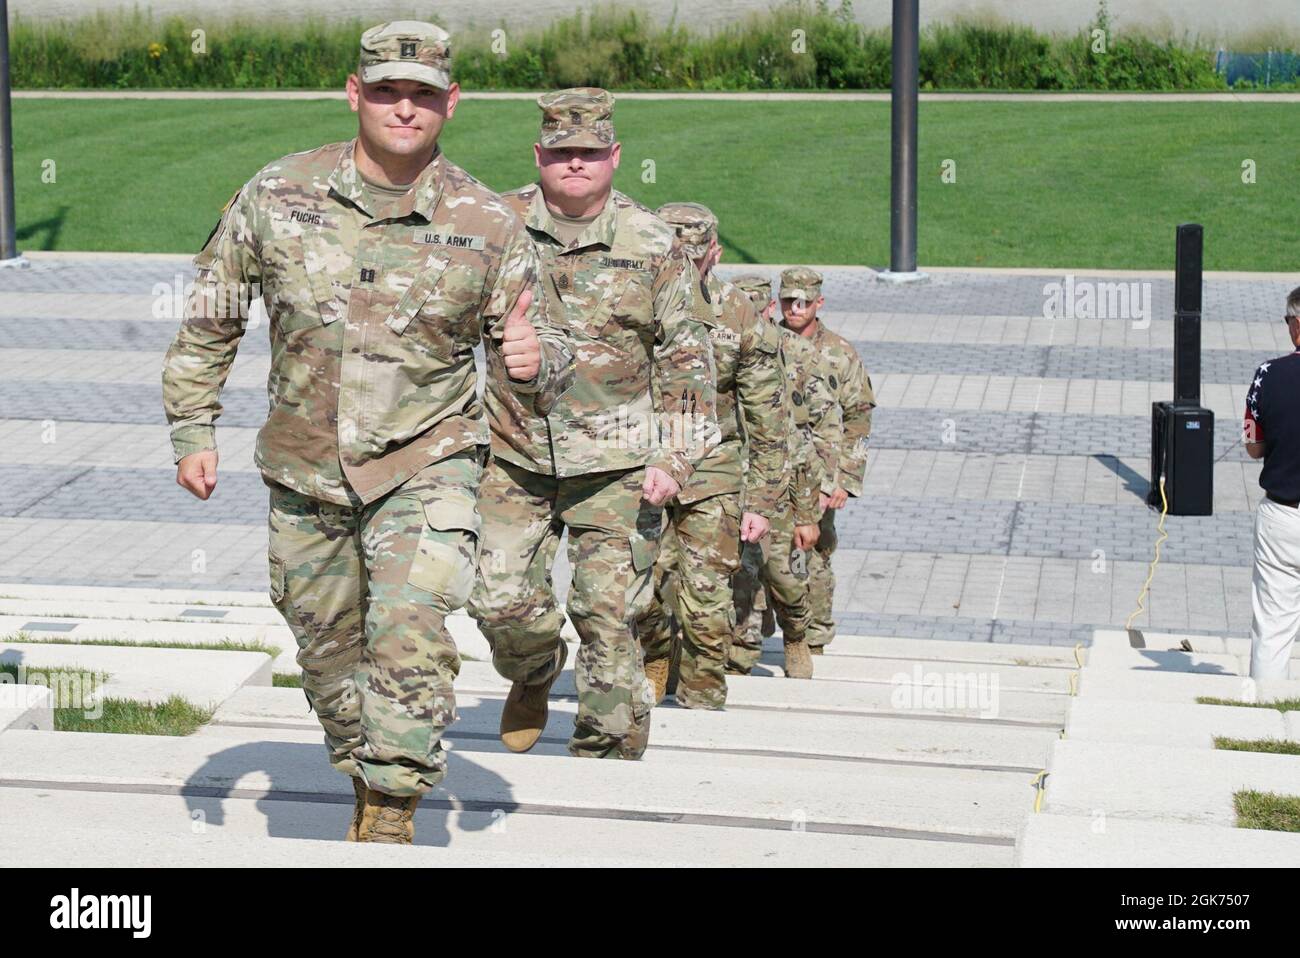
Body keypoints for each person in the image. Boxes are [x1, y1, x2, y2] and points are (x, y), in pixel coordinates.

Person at [161, 21, 571, 844]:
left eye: (423, 94)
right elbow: (211, 316)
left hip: (427, 465)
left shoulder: (487, 222)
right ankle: (364, 763)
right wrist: (191, 427)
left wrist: (534, 360)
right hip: (304, 469)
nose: (405, 108)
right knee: (326, 655)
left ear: (450, 104)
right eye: (387, 90)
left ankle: (391, 811)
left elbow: (550, 347)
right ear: (356, 95)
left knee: (408, 635)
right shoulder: (276, 194)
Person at [467, 88, 717, 759]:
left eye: (590, 153)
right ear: (539, 154)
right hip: (514, 455)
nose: (575, 164)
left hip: (616, 465)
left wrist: (674, 458)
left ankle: (605, 765)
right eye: (561, 153)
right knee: (496, 603)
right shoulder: (497, 225)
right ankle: (533, 670)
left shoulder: (655, 243)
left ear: (614, 156)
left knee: (609, 622)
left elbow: (688, 358)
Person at [636, 204, 788, 708]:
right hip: (641, 468)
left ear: (715, 255)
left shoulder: (738, 312)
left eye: (693, 260)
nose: (681, 270)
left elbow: (767, 412)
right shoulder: (628, 299)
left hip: (713, 468)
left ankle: (702, 702)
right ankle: (658, 655)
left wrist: (762, 499)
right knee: (641, 592)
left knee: (705, 599)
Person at [728, 273, 838, 678]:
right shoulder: (720, 347)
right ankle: (739, 652)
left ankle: (796, 633)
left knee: (784, 576)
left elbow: (813, 434)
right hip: (732, 481)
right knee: (739, 572)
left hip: (780, 482)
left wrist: (808, 511)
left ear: (768, 310)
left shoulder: (795, 353)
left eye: (756, 310)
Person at [779, 267, 875, 654]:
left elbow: (859, 417)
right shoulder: (766, 343)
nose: (795, 308)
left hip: (819, 476)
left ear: (819, 303)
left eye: (804, 301)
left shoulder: (840, 352)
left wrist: (845, 478)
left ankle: (812, 635)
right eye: (788, 300)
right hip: (769, 470)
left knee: (812, 556)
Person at [1244, 285, 1300, 683]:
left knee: (1273, 629)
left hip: (1283, 515)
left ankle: (1265, 721)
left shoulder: (1268, 374)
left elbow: (1253, 445)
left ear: (1297, 325)